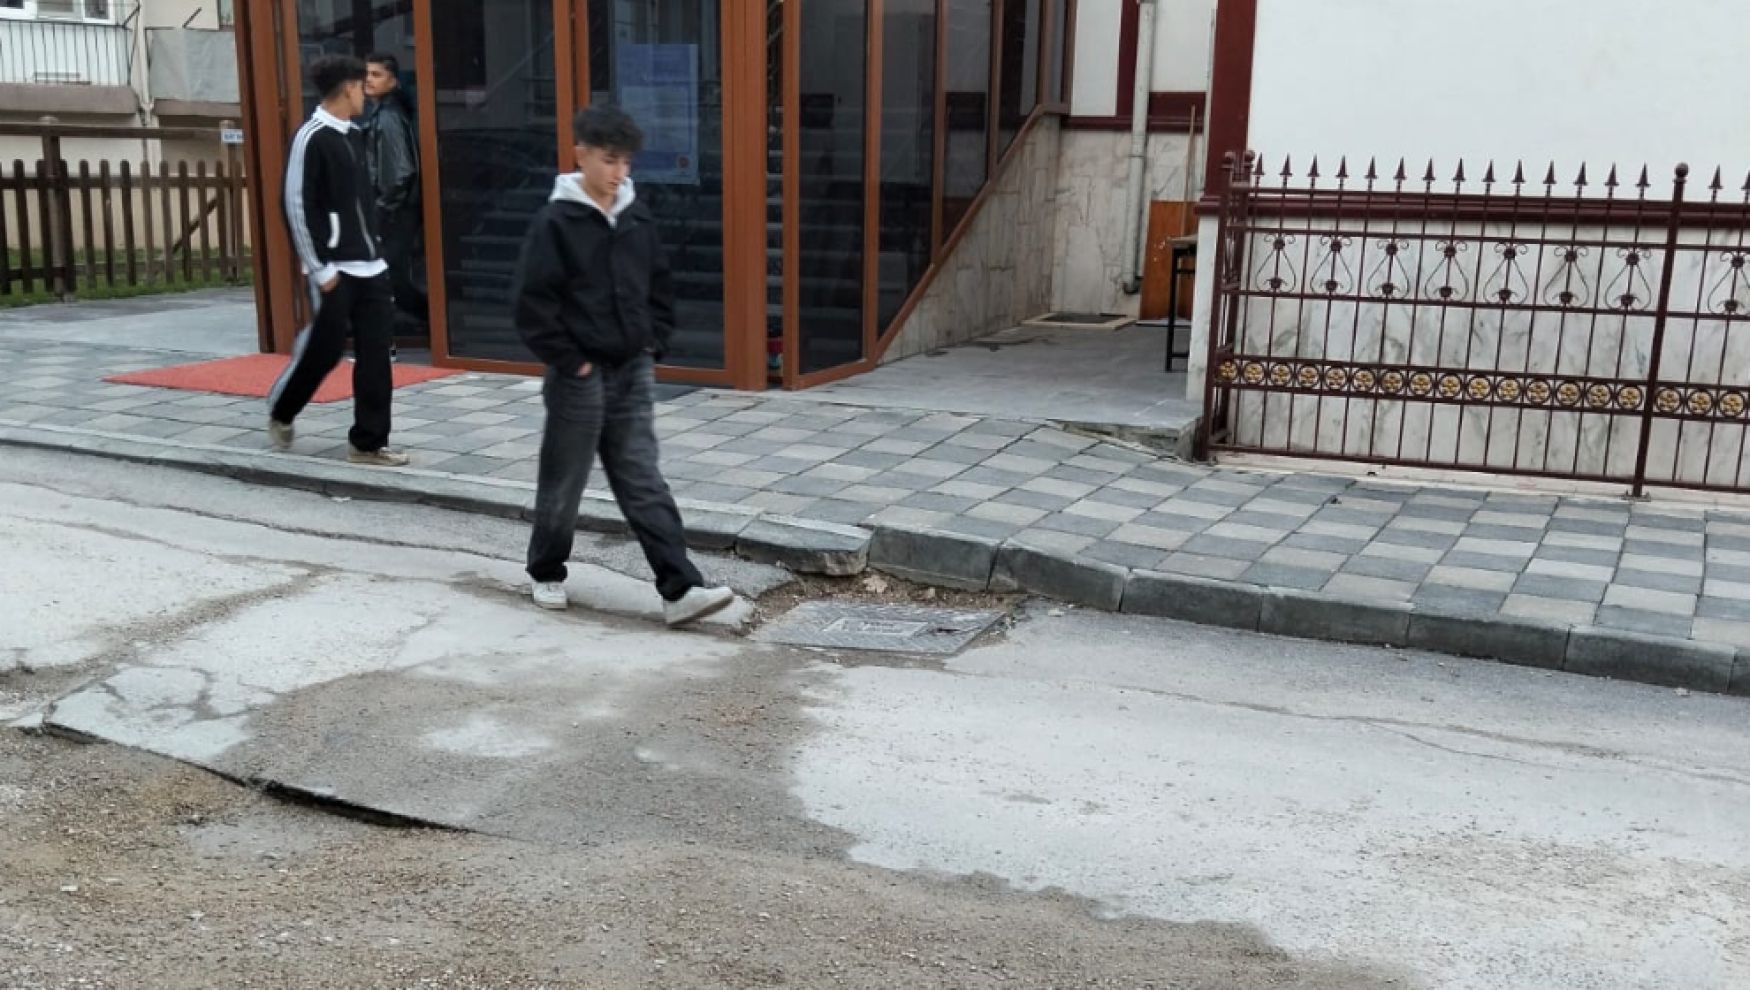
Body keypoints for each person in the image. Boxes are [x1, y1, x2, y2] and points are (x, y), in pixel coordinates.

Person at [512, 104, 733, 626]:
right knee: (565, 479)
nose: (619, 173)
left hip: (633, 366)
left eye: (626, 163)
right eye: (610, 161)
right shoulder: (556, 221)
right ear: (581, 155)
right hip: (578, 374)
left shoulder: (637, 213)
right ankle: (547, 570)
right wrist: (573, 362)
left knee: (642, 475)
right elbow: (532, 305)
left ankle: (680, 588)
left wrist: (654, 341)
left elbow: (659, 282)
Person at [267, 55, 409, 467]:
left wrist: (377, 245)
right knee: (325, 351)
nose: (365, 92)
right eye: (361, 85)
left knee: (376, 356)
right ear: (347, 88)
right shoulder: (312, 137)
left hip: (371, 266)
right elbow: (295, 204)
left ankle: (367, 444)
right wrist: (319, 266)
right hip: (335, 270)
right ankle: (282, 410)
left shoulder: (354, 134)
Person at [363, 53, 428, 348]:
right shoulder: (385, 113)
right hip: (395, 209)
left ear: (393, 81)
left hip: (394, 211)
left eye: (376, 75)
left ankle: (390, 340)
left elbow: (400, 173)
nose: (369, 80)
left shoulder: (388, 117)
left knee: (388, 277)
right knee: (392, 276)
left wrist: (381, 209)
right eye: (367, 74)